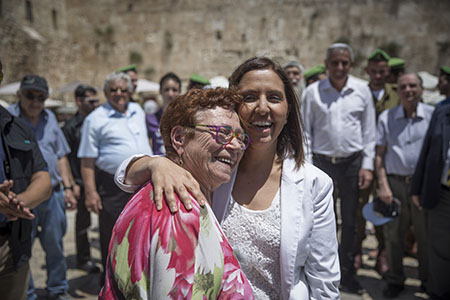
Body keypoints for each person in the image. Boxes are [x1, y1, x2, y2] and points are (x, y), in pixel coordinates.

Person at [116, 57, 340, 299]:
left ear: (287, 113)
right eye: (250, 97)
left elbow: (324, 280)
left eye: (274, 98)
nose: (263, 108)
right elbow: (126, 175)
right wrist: (155, 162)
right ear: (234, 107)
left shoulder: (314, 184)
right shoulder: (215, 168)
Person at [100, 88, 254, 299]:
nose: (236, 145)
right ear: (180, 138)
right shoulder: (178, 208)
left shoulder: (169, 193)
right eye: (223, 133)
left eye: (240, 137)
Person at [301, 43, 376, 294]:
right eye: (335, 63)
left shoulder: (362, 90)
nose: (340, 68)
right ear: (327, 65)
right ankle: (323, 273)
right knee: (322, 221)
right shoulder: (312, 92)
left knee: (352, 221)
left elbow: (369, 131)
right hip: (321, 164)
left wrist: (367, 166)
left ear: (351, 65)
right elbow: (305, 132)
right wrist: (309, 167)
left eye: (345, 63)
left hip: (352, 163)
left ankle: (347, 273)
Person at [8, 75, 78, 300]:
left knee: (55, 246)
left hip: (53, 194)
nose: (35, 102)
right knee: (21, 249)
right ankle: (26, 293)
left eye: (41, 97)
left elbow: (61, 157)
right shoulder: (8, 118)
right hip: (23, 195)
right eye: (30, 95)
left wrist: (68, 187)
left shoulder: (50, 119)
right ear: (20, 95)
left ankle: (57, 289)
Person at [78, 72, 152, 280]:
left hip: (144, 184)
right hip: (112, 187)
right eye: (113, 90)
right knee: (113, 236)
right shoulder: (95, 119)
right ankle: (110, 281)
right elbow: (86, 160)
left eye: (123, 89)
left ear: (129, 91)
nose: (119, 94)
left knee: (141, 233)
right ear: (105, 92)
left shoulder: (137, 110)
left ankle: (137, 279)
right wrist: (91, 193)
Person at [375, 73, 434, 298]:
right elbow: (379, 155)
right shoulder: (386, 118)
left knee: (425, 235)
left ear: (420, 89)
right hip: (395, 184)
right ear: (397, 91)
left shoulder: (432, 116)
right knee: (393, 236)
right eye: (403, 87)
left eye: (413, 86)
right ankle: (395, 280)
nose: (408, 90)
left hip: (422, 186)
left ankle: (428, 281)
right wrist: (383, 186)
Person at [0, 60, 52, 300]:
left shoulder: (17, 127)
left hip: (13, 244)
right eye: (30, 95)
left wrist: (17, 204)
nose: (35, 101)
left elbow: (42, 178)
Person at [354, 49, 401, 274]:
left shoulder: (397, 93)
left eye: (382, 71)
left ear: (387, 71)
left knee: (383, 207)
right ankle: (356, 250)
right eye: (373, 71)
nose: (378, 75)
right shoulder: (359, 92)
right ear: (367, 71)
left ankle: (383, 252)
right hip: (363, 161)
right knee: (358, 208)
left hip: (387, 161)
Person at [411, 102, 450, 300]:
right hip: (443, 192)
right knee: (440, 247)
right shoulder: (443, 110)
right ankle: (439, 292)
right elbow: (427, 152)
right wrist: (417, 188)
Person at [62, 84, 100, 273]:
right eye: (90, 101)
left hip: (99, 179)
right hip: (80, 181)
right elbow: (66, 158)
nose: (95, 105)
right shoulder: (70, 127)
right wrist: (72, 183)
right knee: (83, 222)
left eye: (96, 101)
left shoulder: (100, 121)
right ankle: (83, 259)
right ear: (79, 101)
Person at [146, 72, 182, 155]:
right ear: (160, 91)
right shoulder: (150, 119)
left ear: (179, 92)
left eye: (174, 90)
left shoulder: (184, 118)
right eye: (166, 89)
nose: (170, 94)